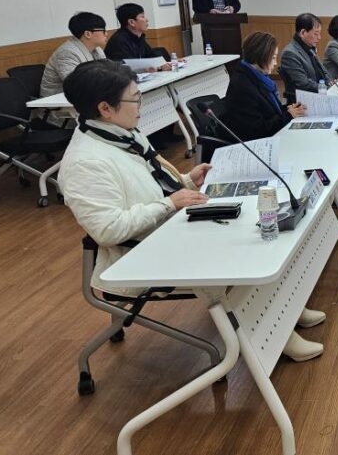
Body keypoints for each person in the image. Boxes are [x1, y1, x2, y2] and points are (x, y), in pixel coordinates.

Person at [59, 59, 324, 362]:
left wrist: (186, 180)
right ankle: (275, 331)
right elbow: (108, 230)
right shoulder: (85, 162)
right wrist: (170, 203)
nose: (141, 106)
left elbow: (148, 183)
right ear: (105, 108)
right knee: (244, 247)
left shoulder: (118, 133)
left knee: (258, 228)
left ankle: (285, 310)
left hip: (170, 229)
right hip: (139, 254)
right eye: (135, 99)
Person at [223, 31, 307, 141]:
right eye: (273, 58)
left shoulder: (257, 76)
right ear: (261, 56)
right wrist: (288, 115)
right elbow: (257, 130)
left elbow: (270, 111)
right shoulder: (242, 86)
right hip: (256, 142)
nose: (275, 63)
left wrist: (289, 109)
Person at [40, 12, 109, 98]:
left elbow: (106, 73)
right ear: (88, 34)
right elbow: (75, 84)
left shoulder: (97, 49)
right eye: (103, 30)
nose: (106, 34)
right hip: (58, 101)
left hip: (86, 95)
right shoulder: (67, 53)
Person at [278, 13, 330, 104]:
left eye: (319, 33)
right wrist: (327, 88)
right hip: (303, 102)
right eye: (316, 34)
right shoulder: (290, 53)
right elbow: (303, 83)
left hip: (318, 95)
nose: (319, 37)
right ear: (302, 33)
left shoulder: (309, 47)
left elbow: (323, 71)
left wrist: (330, 82)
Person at [104, 3, 171, 71]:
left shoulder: (139, 37)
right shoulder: (119, 41)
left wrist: (163, 64)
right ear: (131, 22)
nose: (147, 20)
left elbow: (151, 55)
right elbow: (126, 67)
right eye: (142, 17)